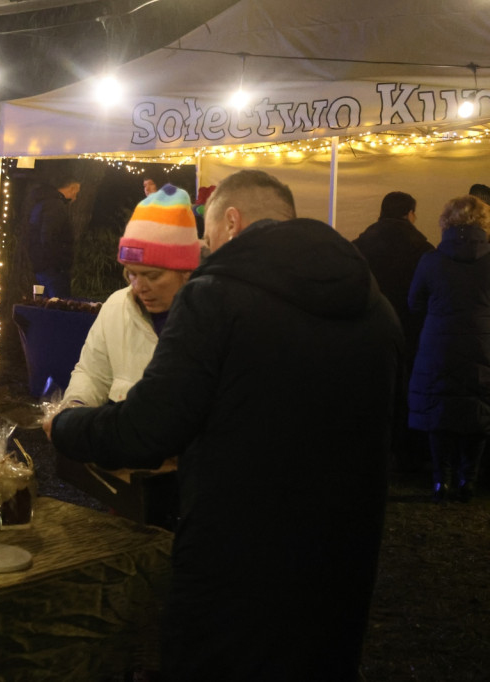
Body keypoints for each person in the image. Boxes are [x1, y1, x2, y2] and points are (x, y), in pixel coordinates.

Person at [45, 169, 403, 680]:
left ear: (231, 222)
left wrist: (65, 429)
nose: (208, 254)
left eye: (209, 240)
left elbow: (148, 429)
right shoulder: (377, 307)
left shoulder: (217, 298)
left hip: (236, 563)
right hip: (340, 562)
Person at [61, 184, 199, 529]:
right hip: (129, 487)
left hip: (192, 495)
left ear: (186, 270)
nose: (139, 286)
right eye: (131, 273)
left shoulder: (207, 320)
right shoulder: (116, 307)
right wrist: (75, 407)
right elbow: (92, 371)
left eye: (152, 275)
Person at [408, 195, 490, 502]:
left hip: (439, 343)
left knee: (439, 409)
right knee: (479, 409)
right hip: (484, 343)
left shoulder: (431, 260)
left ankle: (441, 480)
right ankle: (469, 479)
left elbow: (414, 302)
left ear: (446, 222)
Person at [353, 192, 434, 471]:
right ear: (409, 214)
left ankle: (371, 452)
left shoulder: (358, 247)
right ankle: (407, 453)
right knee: (406, 391)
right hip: (410, 330)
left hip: (368, 328)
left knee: (371, 391)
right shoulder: (424, 251)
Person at [22, 174, 81, 299]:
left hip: (41, 265)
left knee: (46, 302)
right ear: (72, 188)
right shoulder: (55, 206)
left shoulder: (42, 204)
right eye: (76, 193)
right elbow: (49, 237)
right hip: (53, 269)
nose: (75, 197)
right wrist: (59, 264)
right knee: (58, 303)